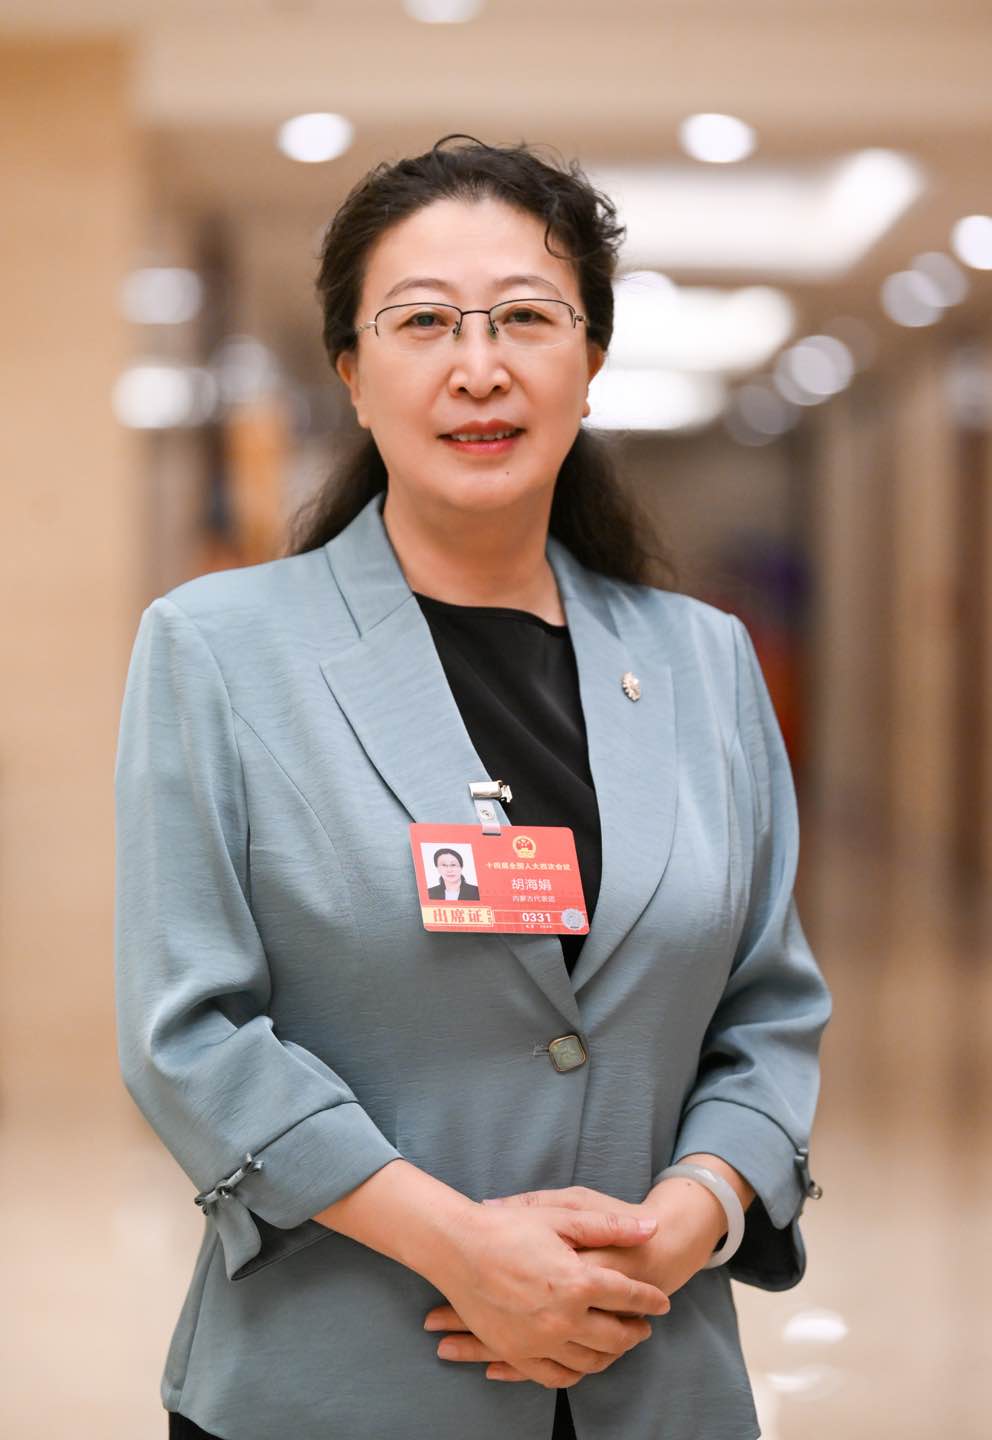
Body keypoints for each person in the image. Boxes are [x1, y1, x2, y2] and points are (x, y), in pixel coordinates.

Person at [114, 134, 832, 1440]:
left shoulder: (704, 661)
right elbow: (193, 1034)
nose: (479, 366)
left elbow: (770, 1008)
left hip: (653, 1375)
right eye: (423, 321)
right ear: (352, 371)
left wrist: (688, 1218)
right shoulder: (219, 649)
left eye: (527, 318)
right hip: (335, 1387)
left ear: (591, 360)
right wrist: (459, 1246)